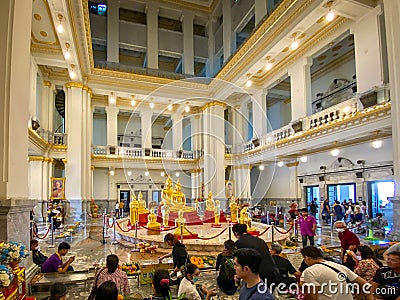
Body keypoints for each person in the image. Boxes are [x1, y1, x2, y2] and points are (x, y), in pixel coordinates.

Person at [300, 246, 370, 300]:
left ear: (307, 258)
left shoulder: (309, 271)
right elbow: (365, 284)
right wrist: (359, 297)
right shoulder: (339, 266)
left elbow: (313, 296)